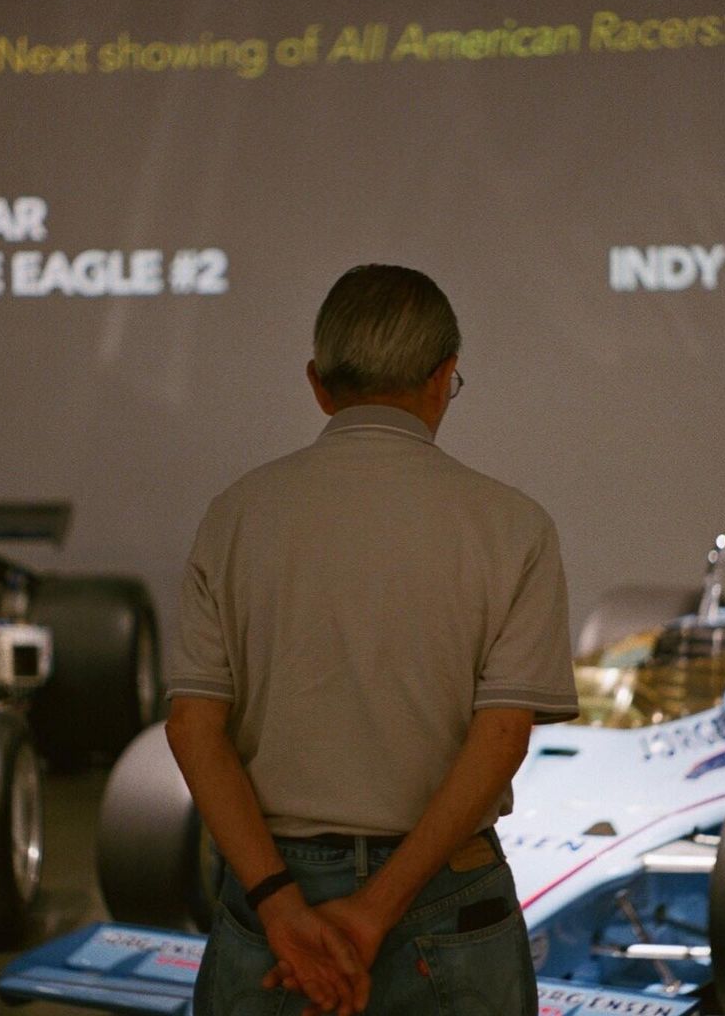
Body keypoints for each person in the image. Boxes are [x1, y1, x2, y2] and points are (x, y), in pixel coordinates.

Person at [166, 264, 578, 1016]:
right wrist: (373, 910)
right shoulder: (515, 526)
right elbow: (500, 738)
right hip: (446, 894)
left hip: (271, 897)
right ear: (443, 378)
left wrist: (279, 904)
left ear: (319, 386)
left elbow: (193, 727)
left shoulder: (236, 516)